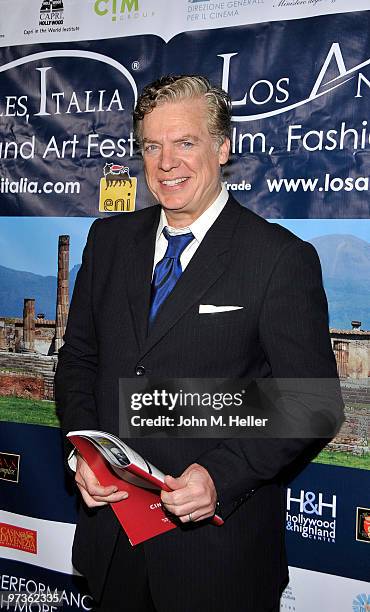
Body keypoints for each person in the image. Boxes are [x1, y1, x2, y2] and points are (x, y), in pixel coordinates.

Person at [55, 75, 342, 612]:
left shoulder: (278, 258)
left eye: (185, 143)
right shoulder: (108, 240)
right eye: (152, 146)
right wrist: (84, 455)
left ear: (222, 147)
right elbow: (79, 359)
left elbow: (312, 401)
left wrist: (220, 474)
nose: (166, 163)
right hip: (112, 543)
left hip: (215, 558)